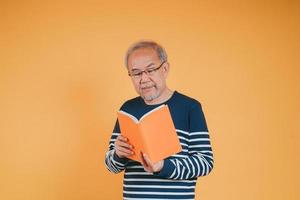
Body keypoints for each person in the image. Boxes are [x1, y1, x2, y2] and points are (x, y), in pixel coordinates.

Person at [105, 40, 214, 200]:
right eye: (136, 73)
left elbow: (205, 163)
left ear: (165, 69)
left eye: (150, 70)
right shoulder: (127, 109)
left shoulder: (190, 107)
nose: (144, 79)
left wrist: (163, 166)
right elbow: (111, 166)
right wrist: (117, 155)